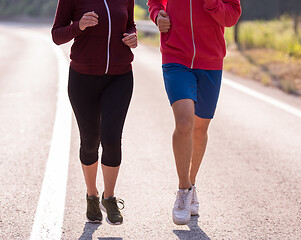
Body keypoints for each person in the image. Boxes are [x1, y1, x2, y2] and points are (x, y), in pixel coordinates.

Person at [147, 0, 241, 225]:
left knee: (200, 129)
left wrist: (212, 4)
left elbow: (232, 16)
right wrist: (157, 15)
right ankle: (182, 191)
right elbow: (155, 3)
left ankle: (191, 183)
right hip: (175, 56)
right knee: (184, 122)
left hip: (210, 60)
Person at [52, 0, 137, 225]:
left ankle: (109, 197)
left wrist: (132, 36)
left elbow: (130, 24)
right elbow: (57, 35)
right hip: (83, 78)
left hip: (120, 76)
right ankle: (92, 195)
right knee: (90, 141)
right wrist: (78, 26)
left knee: (111, 137)